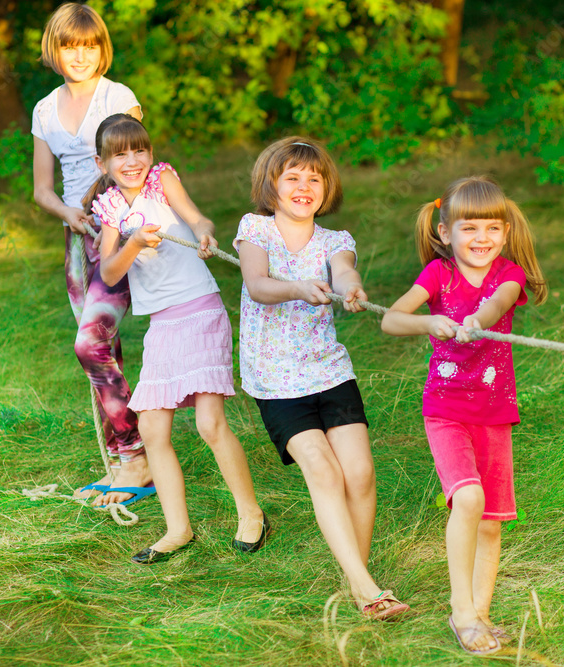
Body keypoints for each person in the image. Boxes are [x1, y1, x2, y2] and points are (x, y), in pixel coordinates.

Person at [234, 137, 409, 620]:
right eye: (292, 177)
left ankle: (359, 578)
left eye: (314, 179)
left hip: (329, 371)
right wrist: (296, 288)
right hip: (275, 378)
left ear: (327, 188)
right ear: (271, 185)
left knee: (360, 473)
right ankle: (369, 590)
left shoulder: (336, 240)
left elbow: (345, 272)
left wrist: (351, 289)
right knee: (324, 471)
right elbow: (257, 284)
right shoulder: (256, 229)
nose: (304, 186)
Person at [87, 113, 267, 563]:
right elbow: (109, 272)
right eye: (120, 153)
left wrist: (205, 233)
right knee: (151, 426)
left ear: (150, 152)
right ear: (101, 162)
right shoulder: (110, 209)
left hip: (200, 310)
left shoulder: (161, 180)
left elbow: (198, 218)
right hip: (162, 325)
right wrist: (133, 245)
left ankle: (252, 514)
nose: (132, 160)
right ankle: (177, 528)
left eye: (139, 150)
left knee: (209, 423)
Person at [380, 176, 547, 654]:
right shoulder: (438, 275)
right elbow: (390, 319)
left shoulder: (508, 274)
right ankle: (461, 612)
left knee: (491, 521)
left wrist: (478, 321)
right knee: (469, 499)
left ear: (506, 231)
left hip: (494, 414)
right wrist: (428, 320)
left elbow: (496, 304)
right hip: (447, 412)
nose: (482, 239)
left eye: (493, 228)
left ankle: (480, 612)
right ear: (444, 231)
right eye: (469, 228)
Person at [31, 3, 150, 505]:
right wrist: (69, 211)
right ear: (54, 51)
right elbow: (41, 188)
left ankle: (137, 455)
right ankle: (124, 458)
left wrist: (97, 202)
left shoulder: (117, 95)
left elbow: (135, 161)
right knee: (105, 351)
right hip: (78, 239)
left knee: (91, 344)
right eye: (69, 46)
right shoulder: (44, 109)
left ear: (102, 48)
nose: (80, 55)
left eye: (90, 45)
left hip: (119, 233)